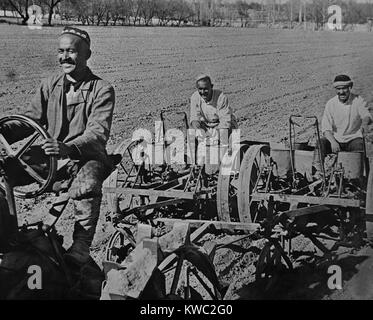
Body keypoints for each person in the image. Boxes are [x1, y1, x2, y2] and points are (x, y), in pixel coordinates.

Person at [1, 27, 115, 266]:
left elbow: (97, 134)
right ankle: (7, 237)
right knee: (3, 172)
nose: (65, 57)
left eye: (72, 51)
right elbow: (29, 120)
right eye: (61, 51)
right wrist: (4, 130)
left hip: (84, 157)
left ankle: (81, 247)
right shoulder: (50, 84)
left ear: (87, 54)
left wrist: (68, 147)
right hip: (49, 157)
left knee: (87, 183)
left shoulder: (102, 89)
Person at [320, 74, 372, 157]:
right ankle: (317, 168)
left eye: (344, 88)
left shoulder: (358, 100)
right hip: (336, 139)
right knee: (321, 143)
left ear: (350, 87)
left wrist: (364, 124)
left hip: (353, 139)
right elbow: (326, 128)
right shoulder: (331, 104)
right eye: (338, 89)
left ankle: (358, 168)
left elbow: (366, 115)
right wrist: (333, 142)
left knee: (360, 146)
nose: (341, 92)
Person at [189, 74, 238, 147]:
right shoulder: (195, 97)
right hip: (207, 124)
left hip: (224, 125)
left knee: (222, 144)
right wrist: (199, 131)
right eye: (200, 89)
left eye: (205, 89)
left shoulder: (221, 97)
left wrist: (216, 137)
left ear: (211, 87)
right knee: (193, 132)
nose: (203, 92)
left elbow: (225, 121)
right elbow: (194, 118)